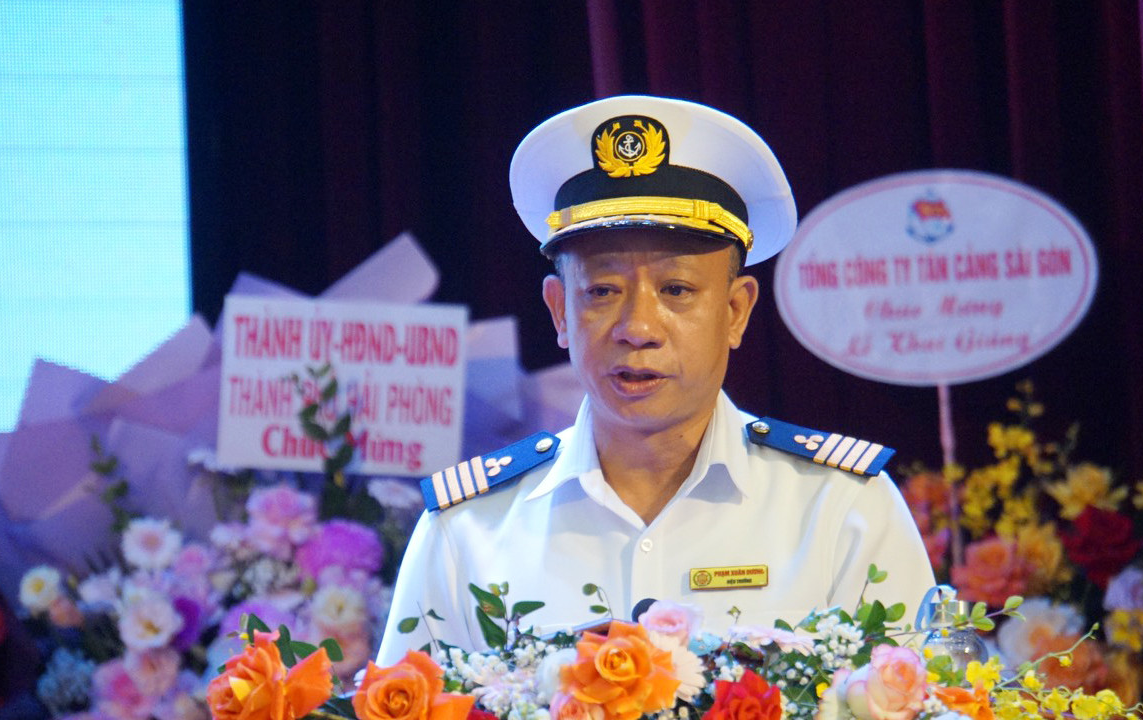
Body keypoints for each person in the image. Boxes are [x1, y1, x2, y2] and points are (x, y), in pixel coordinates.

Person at [375, 95, 934, 663]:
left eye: (676, 290)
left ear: (736, 311)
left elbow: (922, 695)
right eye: (602, 291)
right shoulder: (469, 529)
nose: (638, 328)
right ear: (560, 312)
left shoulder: (840, 510)